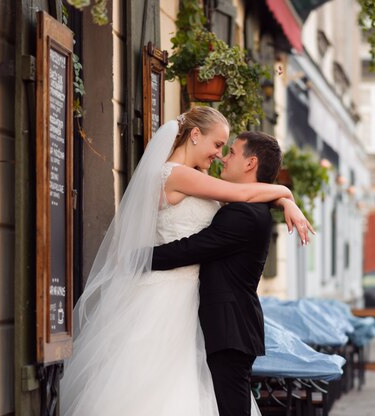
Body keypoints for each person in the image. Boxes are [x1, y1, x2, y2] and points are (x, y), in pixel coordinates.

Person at [60, 106, 311, 416]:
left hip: (191, 298)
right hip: (166, 292)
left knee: (187, 384)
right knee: (156, 382)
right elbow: (242, 196)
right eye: (218, 145)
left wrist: (285, 199)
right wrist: (286, 194)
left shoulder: (198, 178)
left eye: (226, 149)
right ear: (195, 135)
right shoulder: (177, 175)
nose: (220, 155)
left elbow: (244, 196)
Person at [150, 130, 306, 416]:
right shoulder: (247, 207)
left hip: (229, 329)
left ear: (250, 163)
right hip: (225, 326)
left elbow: (192, 248)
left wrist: (138, 259)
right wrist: (284, 198)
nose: (224, 156)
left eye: (232, 151)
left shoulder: (244, 215)